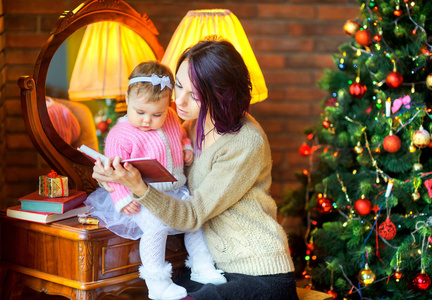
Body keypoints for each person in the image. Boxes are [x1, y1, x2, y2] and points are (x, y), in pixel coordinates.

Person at [93, 37, 298, 300]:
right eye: (178, 86)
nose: (178, 101)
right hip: (211, 267)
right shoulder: (189, 128)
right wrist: (110, 175)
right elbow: (157, 175)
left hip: (258, 273)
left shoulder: (245, 142)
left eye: (194, 95)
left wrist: (139, 188)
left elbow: (191, 215)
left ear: (222, 96)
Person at [85, 61, 226, 300]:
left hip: (174, 190)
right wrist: (121, 199)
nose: (147, 120)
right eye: (140, 112)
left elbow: (180, 134)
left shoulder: (170, 117)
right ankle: (157, 283)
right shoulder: (121, 135)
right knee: (155, 226)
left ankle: (203, 267)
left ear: (167, 106)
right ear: (127, 99)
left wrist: (187, 147)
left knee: (194, 221)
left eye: (156, 114)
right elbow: (112, 173)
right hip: (139, 198)